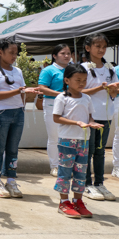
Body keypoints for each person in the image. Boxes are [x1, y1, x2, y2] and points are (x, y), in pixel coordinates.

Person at [0, 39, 41, 199]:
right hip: (1, 113)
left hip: (18, 112)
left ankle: (11, 180)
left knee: (13, 149)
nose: (14, 56)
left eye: (16, 53)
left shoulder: (17, 71)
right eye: (11, 53)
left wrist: (28, 91)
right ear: (0, 53)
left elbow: (21, 90)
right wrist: (18, 91)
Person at [53, 63, 101, 218]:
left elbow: (89, 117)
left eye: (84, 80)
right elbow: (56, 118)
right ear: (67, 80)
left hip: (83, 141)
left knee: (81, 172)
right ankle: (64, 202)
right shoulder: (62, 98)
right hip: (67, 141)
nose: (82, 83)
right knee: (65, 172)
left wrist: (92, 123)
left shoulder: (86, 98)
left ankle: (78, 202)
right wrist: (76, 123)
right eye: (78, 80)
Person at [81, 33, 119, 201]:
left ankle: (99, 183)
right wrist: (99, 88)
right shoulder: (83, 68)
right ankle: (86, 184)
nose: (101, 50)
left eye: (104, 47)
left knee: (100, 151)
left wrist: (113, 89)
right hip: (89, 116)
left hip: (105, 115)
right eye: (97, 46)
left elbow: (113, 92)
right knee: (88, 151)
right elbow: (78, 91)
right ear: (88, 48)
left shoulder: (110, 69)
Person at [38, 44, 72, 176]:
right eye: (63, 53)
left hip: (70, 104)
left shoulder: (72, 69)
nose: (66, 56)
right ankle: (55, 166)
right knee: (54, 137)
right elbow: (42, 88)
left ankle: (67, 165)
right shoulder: (49, 70)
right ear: (54, 56)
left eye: (68, 53)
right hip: (52, 104)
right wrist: (61, 94)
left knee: (68, 136)